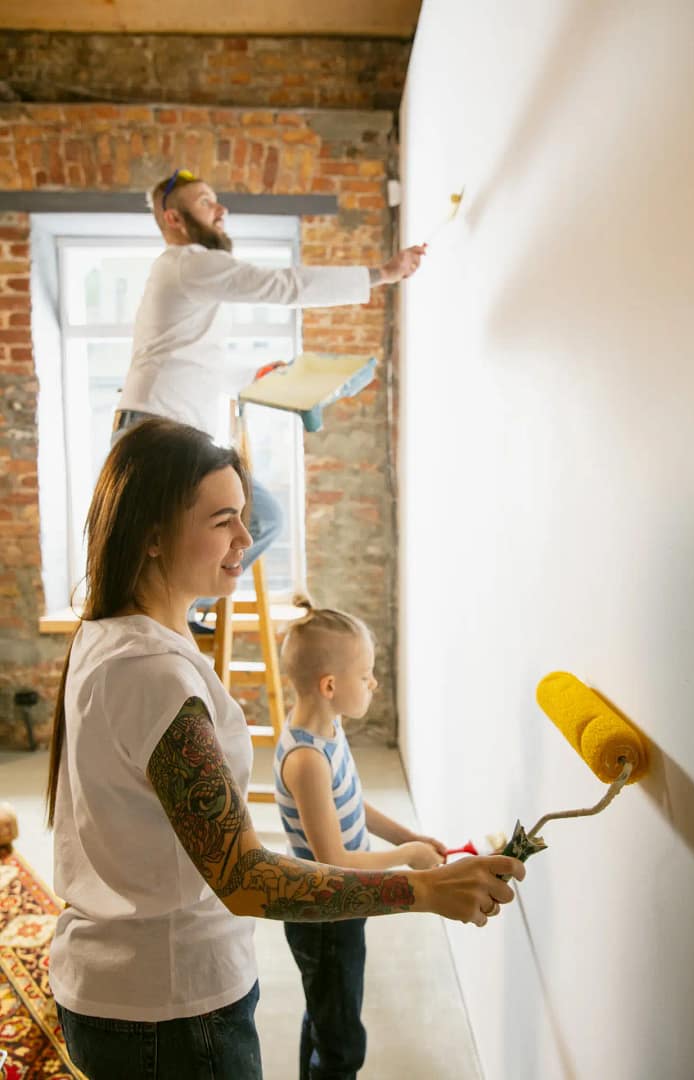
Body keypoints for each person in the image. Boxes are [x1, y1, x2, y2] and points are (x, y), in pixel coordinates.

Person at [46, 418, 525, 1080]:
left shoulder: (112, 631)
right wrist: (421, 889)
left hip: (127, 990)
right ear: (152, 534)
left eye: (243, 516)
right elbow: (245, 879)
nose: (246, 538)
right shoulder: (150, 670)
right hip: (167, 1011)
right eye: (223, 521)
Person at [113, 168, 427, 628]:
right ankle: (166, 610)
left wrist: (256, 374)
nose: (221, 210)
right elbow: (283, 286)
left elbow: (198, 367)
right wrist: (382, 273)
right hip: (158, 429)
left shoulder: (187, 278)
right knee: (234, 524)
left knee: (260, 519)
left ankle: (184, 605)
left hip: (174, 429)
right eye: (205, 202)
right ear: (174, 219)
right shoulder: (188, 262)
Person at [274, 598, 447, 1079]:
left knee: (326, 1014)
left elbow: (351, 806)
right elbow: (332, 857)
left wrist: (407, 834)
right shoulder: (307, 759)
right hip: (325, 914)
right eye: (366, 673)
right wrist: (406, 856)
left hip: (341, 906)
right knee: (341, 1042)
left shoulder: (327, 727)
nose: (373, 682)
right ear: (330, 686)